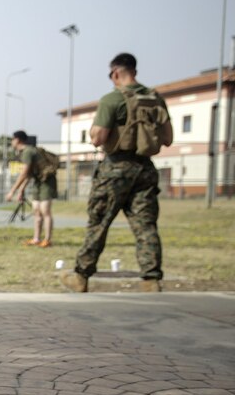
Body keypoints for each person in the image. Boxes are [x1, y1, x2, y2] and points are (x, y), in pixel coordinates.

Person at [63, 52, 173, 293]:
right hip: (145, 169)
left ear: (115, 73)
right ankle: (151, 279)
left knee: (99, 222)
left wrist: (95, 132)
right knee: (146, 226)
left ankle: (81, 276)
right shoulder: (155, 98)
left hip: (115, 169)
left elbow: (98, 137)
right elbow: (168, 138)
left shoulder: (112, 99)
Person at [5, 130, 57, 247]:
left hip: (46, 182)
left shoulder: (28, 151)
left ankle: (47, 240)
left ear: (17, 140)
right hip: (38, 182)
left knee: (45, 211)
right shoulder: (26, 151)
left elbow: (24, 173)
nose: (12, 142)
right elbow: (29, 174)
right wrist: (21, 189)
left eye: (12, 139)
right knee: (36, 211)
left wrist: (12, 191)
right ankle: (36, 239)